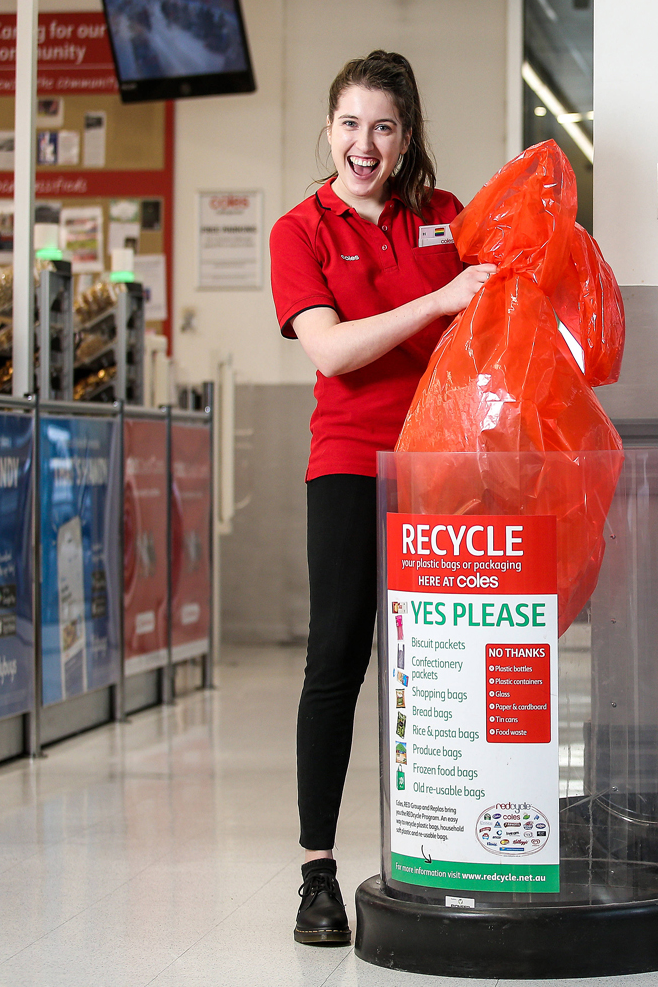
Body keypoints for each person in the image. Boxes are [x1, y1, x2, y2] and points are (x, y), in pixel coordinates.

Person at [269, 50, 495, 946]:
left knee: (445, 667)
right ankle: (316, 874)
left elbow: (505, 291)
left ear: (406, 140)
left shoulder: (444, 217)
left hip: (446, 469)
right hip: (355, 464)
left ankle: (455, 851)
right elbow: (332, 352)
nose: (366, 143)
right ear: (330, 130)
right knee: (338, 662)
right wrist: (438, 302)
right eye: (352, 124)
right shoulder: (302, 229)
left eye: (385, 126)